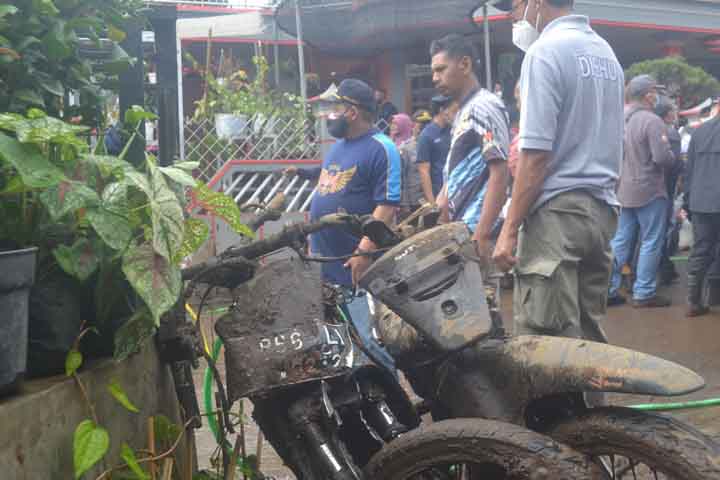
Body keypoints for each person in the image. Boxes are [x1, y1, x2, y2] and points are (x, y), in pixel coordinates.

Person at [492, 0, 624, 343]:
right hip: (602, 211)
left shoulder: (543, 52)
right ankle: (595, 400)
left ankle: (561, 402)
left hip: (557, 218)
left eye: (516, 4)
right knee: (590, 339)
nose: (513, 15)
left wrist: (508, 229)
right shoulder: (605, 53)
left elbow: (535, 157)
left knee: (549, 344)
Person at [284, 78, 401, 371]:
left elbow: (387, 204)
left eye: (333, 108)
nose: (327, 115)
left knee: (369, 340)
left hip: (356, 267)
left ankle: (395, 404)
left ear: (352, 111)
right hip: (325, 264)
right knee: (334, 341)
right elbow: (327, 183)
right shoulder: (338, 147)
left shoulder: (382, 148)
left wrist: (363, 251)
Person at [430, 33, 510, 267]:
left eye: (441, 69)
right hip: (460, 235)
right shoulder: (465, 110)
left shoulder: (483, 107)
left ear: (464, 64)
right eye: (433, 71)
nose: (435, 78)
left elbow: (500, 171)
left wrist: (481, 235)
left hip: (475, 236)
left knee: (481, 303)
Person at [606, 75, 676, 308]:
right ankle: (643, 292)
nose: (657, 96)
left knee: (620, 241)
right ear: (648, 95)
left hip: (624, 190)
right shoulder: (651, 120)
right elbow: (662, 158)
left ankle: (608, 289)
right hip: (650, 190)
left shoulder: (619, 119)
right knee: (651, 241)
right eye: (655, 92)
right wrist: (675, 160)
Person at [684, 98, 720, 317]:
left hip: (701, 202)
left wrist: (688, 201)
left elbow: (690, 171)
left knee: (701, 251)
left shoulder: (699, 132)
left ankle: (693, 301)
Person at [655, 95, 684, 286]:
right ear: (668, 115)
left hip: (647, 187)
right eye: (673, 111)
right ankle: (665, 270)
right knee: (665, 232)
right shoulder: (672, 134)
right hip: (665, 189)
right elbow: (673, 165)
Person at [416, 96, 453, 204]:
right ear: (442, 110)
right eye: (452, 109)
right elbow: (423, 170)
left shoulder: (452, 130)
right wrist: (432, 203)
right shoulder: (427, 135)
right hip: (439, 193)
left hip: (455, 190)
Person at [394, 112, 428, 217]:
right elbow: (402, 177)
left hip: (431, 197)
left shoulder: (431, 145)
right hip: (414, 201)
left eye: (426, 125)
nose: (423, 129)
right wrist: (405, 204)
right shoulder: (405, 148)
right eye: (420, 126)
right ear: (413, 127)